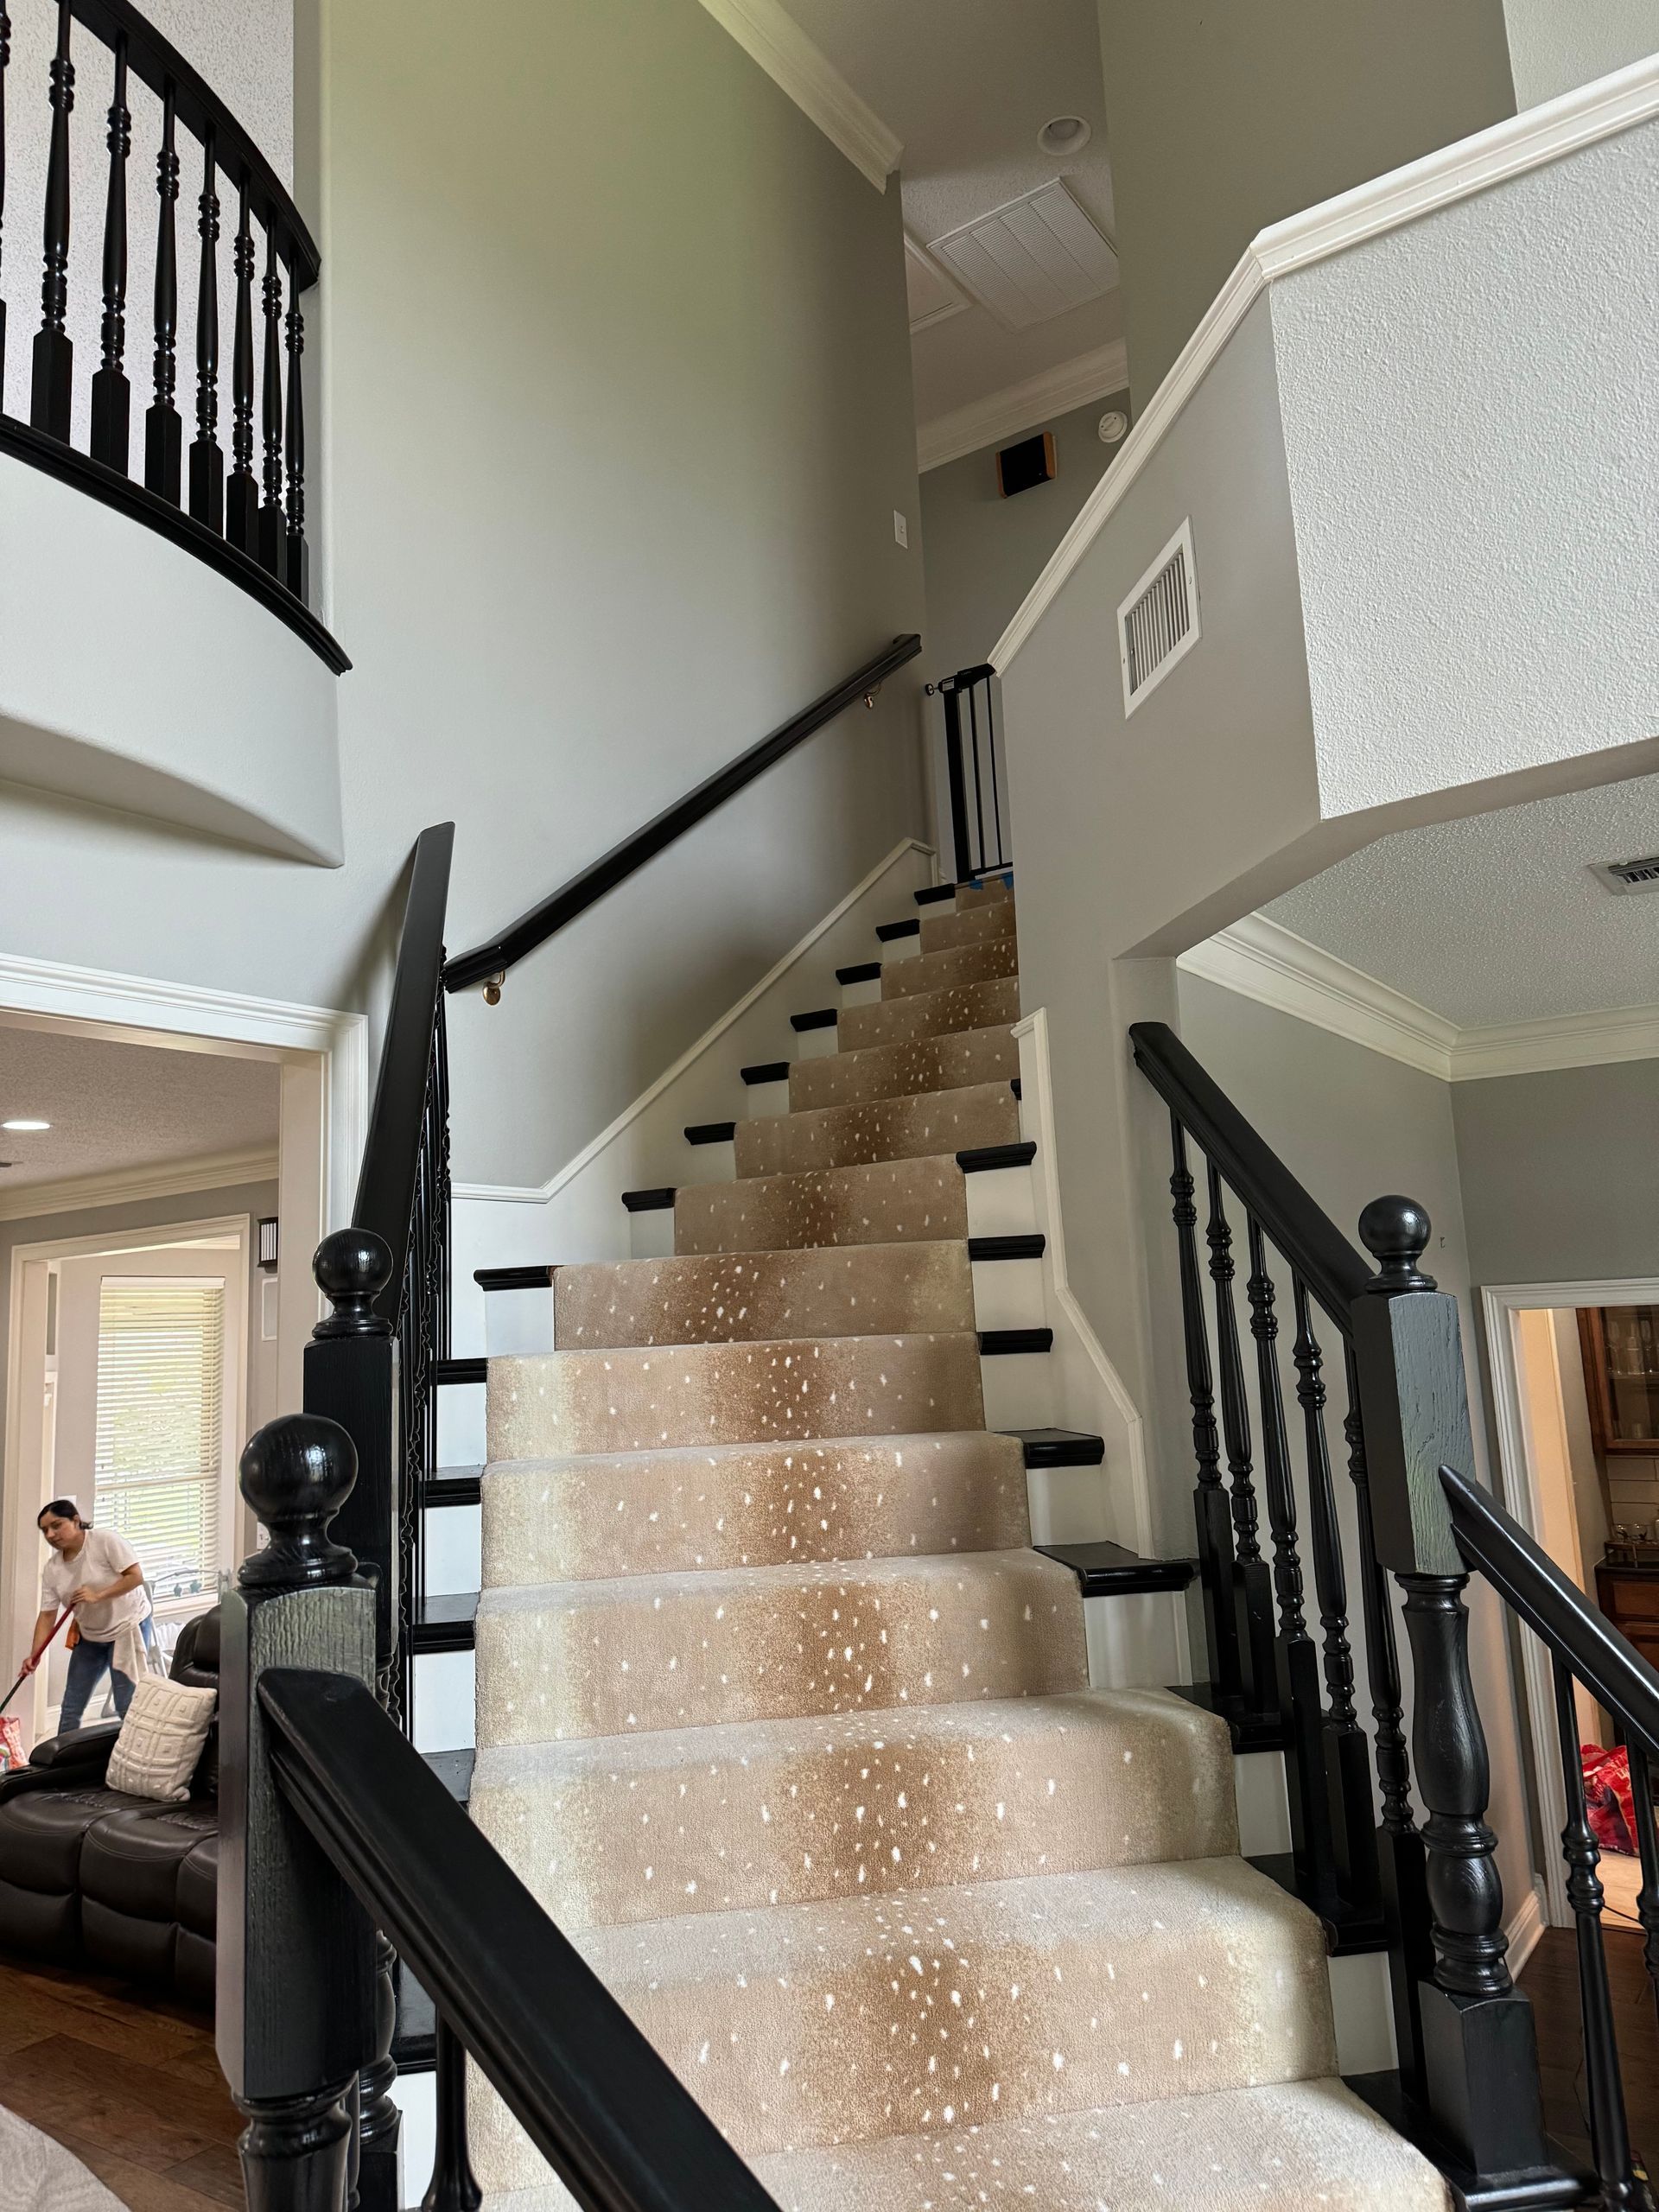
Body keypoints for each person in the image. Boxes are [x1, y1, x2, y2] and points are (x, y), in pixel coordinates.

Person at [25, 1500, 156, 1728]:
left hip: (126, 1627)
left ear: (76, 1520)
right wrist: (34, 1656)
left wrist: (98, 1595)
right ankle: (63, 1752)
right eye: (45, 1530)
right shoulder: (53, 1569)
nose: (50, 1535)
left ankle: (136, 1749)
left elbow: (135, 1577)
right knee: (71, 1707)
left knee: (126, 1705)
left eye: (56, 1525)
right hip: (91, 1635)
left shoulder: (105, 1541)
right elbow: (47, 1616)